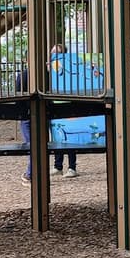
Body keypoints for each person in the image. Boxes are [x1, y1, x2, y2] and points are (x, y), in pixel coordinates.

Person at [49, 44, 78, 178]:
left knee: (70, 137)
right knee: (57, 136)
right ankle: (58, 166)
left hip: (68, 104)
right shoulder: (51, 68)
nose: (54, 55)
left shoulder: (67, 66)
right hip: (54, 105)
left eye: (57, 52)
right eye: (52, 52)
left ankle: (72, 167)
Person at [15, 66, 32, 181]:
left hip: (26, 113)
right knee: (39, 143)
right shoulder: (46, 74)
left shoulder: (23, 75)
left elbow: (18, 94)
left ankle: (30, 173)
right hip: (43, 113)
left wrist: (20, 112)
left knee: (31, 144)